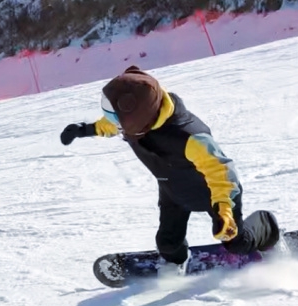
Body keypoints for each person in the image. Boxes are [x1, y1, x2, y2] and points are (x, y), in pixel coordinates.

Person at [60, 66, 279, 272]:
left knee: (236, 243)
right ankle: (177, 264)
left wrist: (224, 210)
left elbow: (220, 171)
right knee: (167, 243)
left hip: (213, 194)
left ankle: (265, 227)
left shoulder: (190, 137)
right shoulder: (138, 120)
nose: (110, 122)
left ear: (136, 118)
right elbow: (110, 125)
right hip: (172, 191)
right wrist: (84, 129)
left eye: (112, 116)